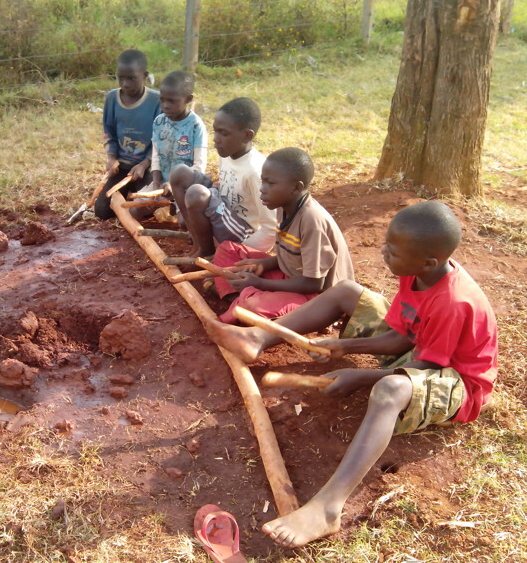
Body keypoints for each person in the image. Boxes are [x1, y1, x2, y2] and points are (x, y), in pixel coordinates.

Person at [206, 200, 498, 548]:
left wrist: (360, 377)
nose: (383, 252)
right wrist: (345, 347)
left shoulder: (453, 302)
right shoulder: (415, 272)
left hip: (456, 381)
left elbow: (428, 366)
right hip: (423, 353)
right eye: (387, 243)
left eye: (393, 249)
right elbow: (404, 337)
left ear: (429, 261)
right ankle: (258, 336)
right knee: (347, 291)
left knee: (390, 391)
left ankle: (328, 507)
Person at [214, 147, 353, 323]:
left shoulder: (311, 220)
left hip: (317, 297)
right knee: (227, 250)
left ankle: (247, 301)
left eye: (270, 184)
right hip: (291, 276)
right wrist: (263, 264)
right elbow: (289, 255)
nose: (262, 189)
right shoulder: (283, 205)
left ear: (296, 187)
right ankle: (238, 298)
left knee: (253, 306)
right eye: (262, 182)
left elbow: (313, 284)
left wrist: (260, 284)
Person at [169, 97, 276, 258]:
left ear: (247, 136)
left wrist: (235, 253)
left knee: (195, 194)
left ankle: (207, 253)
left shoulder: (255, 172)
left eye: (223, 133)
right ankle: (198, 240)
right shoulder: (227, 153)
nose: (216, 139)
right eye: (215, 131)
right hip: (224, 212)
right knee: (179, 172)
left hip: (243, 233)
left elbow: (271, 230)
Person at [132, 70, 208, 220]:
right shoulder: (159, 122)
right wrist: (155, 183)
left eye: (172, 101)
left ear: (188, 99)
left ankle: (176, 207)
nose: (165, 105)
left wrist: (174, 186)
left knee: (184, 223)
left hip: (186, 187)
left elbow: (199, 167)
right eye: (162, 100)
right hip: (161, 186)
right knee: (134, 212)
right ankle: (167, 204)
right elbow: (156, 156)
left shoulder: (196, 126)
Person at [95, 49, 161, 220]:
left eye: (131, 78)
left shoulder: (157, 101)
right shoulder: (112, 98)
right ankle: (128, 191)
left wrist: (145, 163)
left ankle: (135, 191)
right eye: (120, 78)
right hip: (123, 167)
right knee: (101, 211)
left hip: (146, 167)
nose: (125, 84)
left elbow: (160, 139)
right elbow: (108, 132)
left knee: (144, 209)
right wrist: (111, 158)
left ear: (144, 75)